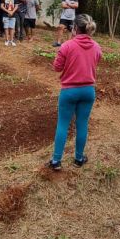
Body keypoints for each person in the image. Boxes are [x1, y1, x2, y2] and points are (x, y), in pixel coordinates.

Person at [47, 14, 102, 170]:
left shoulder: (67, 46)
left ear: (75, 29)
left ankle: (56, 161)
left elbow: (57, 67)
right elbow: (96, 60)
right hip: (88, 91)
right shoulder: (97, 46)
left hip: (69, 91)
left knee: (63, 124)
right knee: (82, 124)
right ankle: (79, 158)